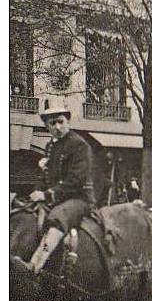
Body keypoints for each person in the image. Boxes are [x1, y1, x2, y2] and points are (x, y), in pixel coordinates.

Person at [14, 96, 96, 275]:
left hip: (79, 199)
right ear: (46, 126)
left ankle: (34, 265)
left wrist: (47, 194)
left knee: (58, 217)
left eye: (61, 122)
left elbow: (76, 180)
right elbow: (45, 177)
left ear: (68, 121)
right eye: (52, 123)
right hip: (57, 198)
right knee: (25, 212)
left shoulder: (79, 145)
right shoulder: (50, 146)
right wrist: (37, 191)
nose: (57, 127)